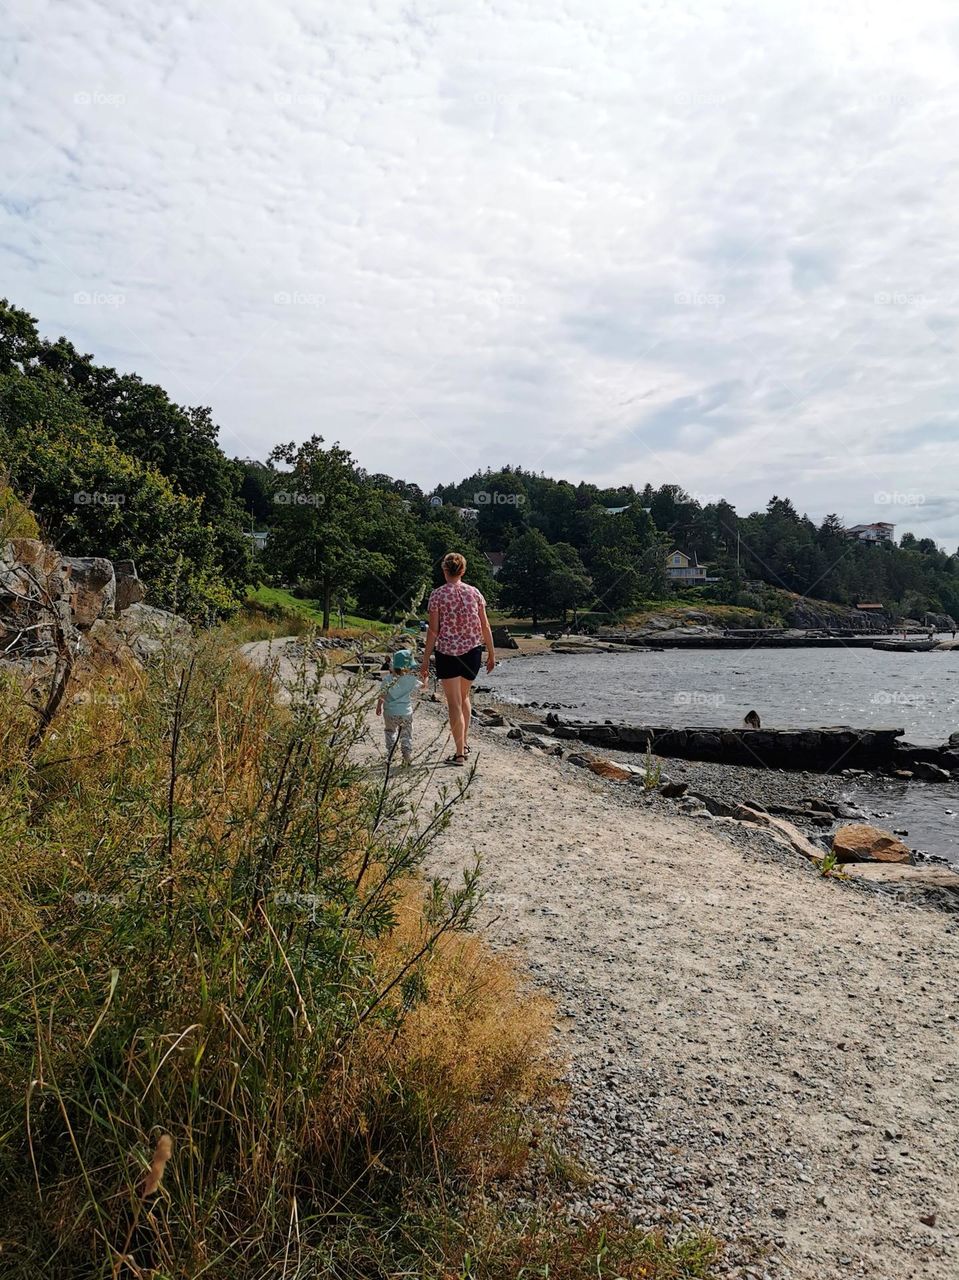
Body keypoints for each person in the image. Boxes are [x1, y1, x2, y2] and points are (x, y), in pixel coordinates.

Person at [420, 552, 496, 765]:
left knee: (454, 703)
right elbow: (485, 625)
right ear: (463, 570)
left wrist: (425, 659)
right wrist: (491, 652)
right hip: (473, 653)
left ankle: (460, 754)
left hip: (448, 653)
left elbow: (433, 631)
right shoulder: (475, 593)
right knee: (464, 698)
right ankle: (463, 744)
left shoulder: (437, 595)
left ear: (445, 570)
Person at [375, 648, 423, 766]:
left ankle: (391, 754)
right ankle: (406, 755)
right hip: (406, 712)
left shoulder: (387, 679)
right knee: (406, 733)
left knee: (390, 731)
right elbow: (424, 687)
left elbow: (382, 694)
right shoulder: (411, 680)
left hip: (390, 712)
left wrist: (379, 707)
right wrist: (425, 677)